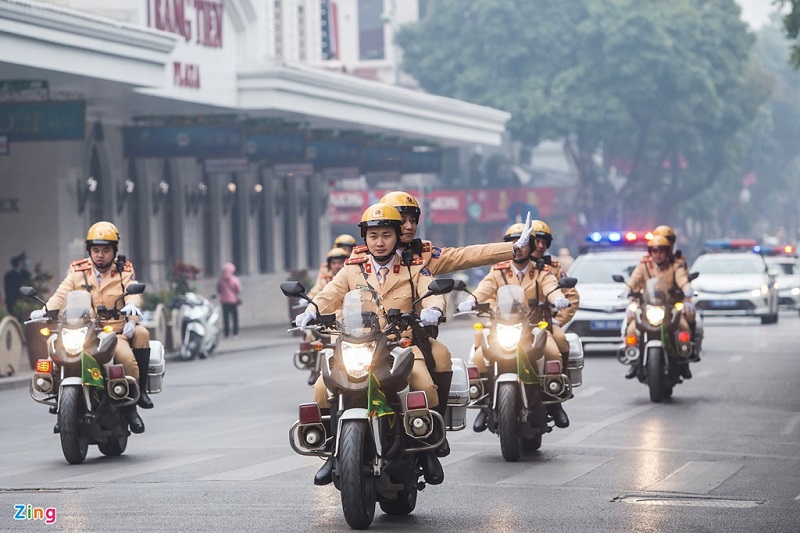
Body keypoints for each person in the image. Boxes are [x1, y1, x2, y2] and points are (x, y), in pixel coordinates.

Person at [294, 203, 448, 487]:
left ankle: (427, 447)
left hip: (399, 345)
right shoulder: (353, 268)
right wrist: (312, 310)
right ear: (364, 237)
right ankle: (331, 450)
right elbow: (331, 292)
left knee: (424, 384)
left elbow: (431, 292)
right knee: (319, 388)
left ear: (397, 235)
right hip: (358, 343)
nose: (380, 242)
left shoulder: (413, 266)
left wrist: (433, 308)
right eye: (373, 235)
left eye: (387, 235)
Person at [368, 190, 534, 439]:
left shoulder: (422, 256)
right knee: (324, 386)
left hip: (410, 338)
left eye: (413, 220)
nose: (409, 226)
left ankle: (433, 434)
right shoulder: (360, 260)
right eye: (403, 220)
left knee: (441, 358)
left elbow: (466, 255)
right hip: (367, 341)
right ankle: (331, 447)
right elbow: (337, 293)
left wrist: (511, 248)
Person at [30, 222, 146, 433]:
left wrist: (131, 307)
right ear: (89, 251)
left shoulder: (124, 271)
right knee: (52, 345)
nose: (100, 255)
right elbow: (62, 293)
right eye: (95, 250)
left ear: (114, 251)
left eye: (105, 250)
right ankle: (60, 400)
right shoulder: (77, 271)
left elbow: (134, 294)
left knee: (126, 358)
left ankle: (130, 407)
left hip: (111, 332)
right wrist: (45, 309)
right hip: (82, 329)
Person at [459, 222, 572, 430]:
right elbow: (485, 288)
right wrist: (471, 300)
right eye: (513, 244)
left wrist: (558, 299)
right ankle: (485, 405)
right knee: (477, 358)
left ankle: (555, 400)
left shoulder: (542, 271)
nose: (518, 249)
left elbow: (551, 288)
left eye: (522, 244)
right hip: (501, 325)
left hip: (536, 325)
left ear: (531, 246)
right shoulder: (498, 270)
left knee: (554, 351)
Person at [623, 235, 695, 380]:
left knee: (684, 326)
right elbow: (634, 279)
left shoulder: (675, 266)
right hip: (647, 307)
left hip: (669, 308)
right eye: (654, 251)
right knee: (631, 328)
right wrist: (627, 288)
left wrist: (687, 289)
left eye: (661, 251)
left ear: (667, 252)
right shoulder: (643, 265)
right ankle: (633, 359)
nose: (658, 254)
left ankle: (685, 357)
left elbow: (682, 279)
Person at [528, 221, 580, 365]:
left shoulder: (552, 268)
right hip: (513, 323)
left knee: (561, 341)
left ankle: (558, 382)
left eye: (544, 243)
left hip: (544, 322)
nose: (540, 246)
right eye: (536, 241)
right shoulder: (508, 267)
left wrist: (557, 319)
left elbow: (571, 296)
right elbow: (494, 293)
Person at [652, 225, 699, 362]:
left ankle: (690, 347)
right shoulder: (647, 262)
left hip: (674, 302)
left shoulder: (678, 262)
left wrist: (687, 293)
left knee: (688, 316)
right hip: (652, 304)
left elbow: (683, 279)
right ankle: (633, 353)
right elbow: (637, 281)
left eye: (668, 240)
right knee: (632, 320)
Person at [217, 262, 242, 339]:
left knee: (226, 318)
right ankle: (235, 333)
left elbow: (218, 289)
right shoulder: (234, 279)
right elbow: (238, 289)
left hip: (224, 301)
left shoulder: (221, 280)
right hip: (233, 301)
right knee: (234, 317)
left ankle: (226, 333)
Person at [4, 252, 31, 317]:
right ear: (19, 263)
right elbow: (8, 290)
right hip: (14, 300)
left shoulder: (26, 273)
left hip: (24, 300)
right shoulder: (9, 275)